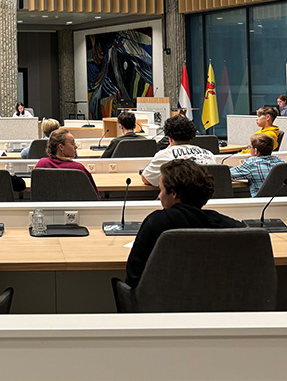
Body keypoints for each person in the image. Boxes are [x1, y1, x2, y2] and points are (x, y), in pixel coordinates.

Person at [125, 159, 246, 288]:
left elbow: (133, 277)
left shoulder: (156, 222)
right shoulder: (228, 226)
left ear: (173, 193)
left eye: (161, 190)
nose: (159, 196)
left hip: (162, 298)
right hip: (215, 297)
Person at [141, 115, 215, 186]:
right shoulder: (209, 154)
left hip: (178, 194)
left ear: (169, 138)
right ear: (192, 137)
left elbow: (146, 179)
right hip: (204, 194)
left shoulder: (164, 155)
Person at [35, 129, 100, 196]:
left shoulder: (42, 164)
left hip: (47, 203)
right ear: (61, 147)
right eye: (72, 143)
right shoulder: (78, 169)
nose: (76, 147)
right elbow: (94, 196)